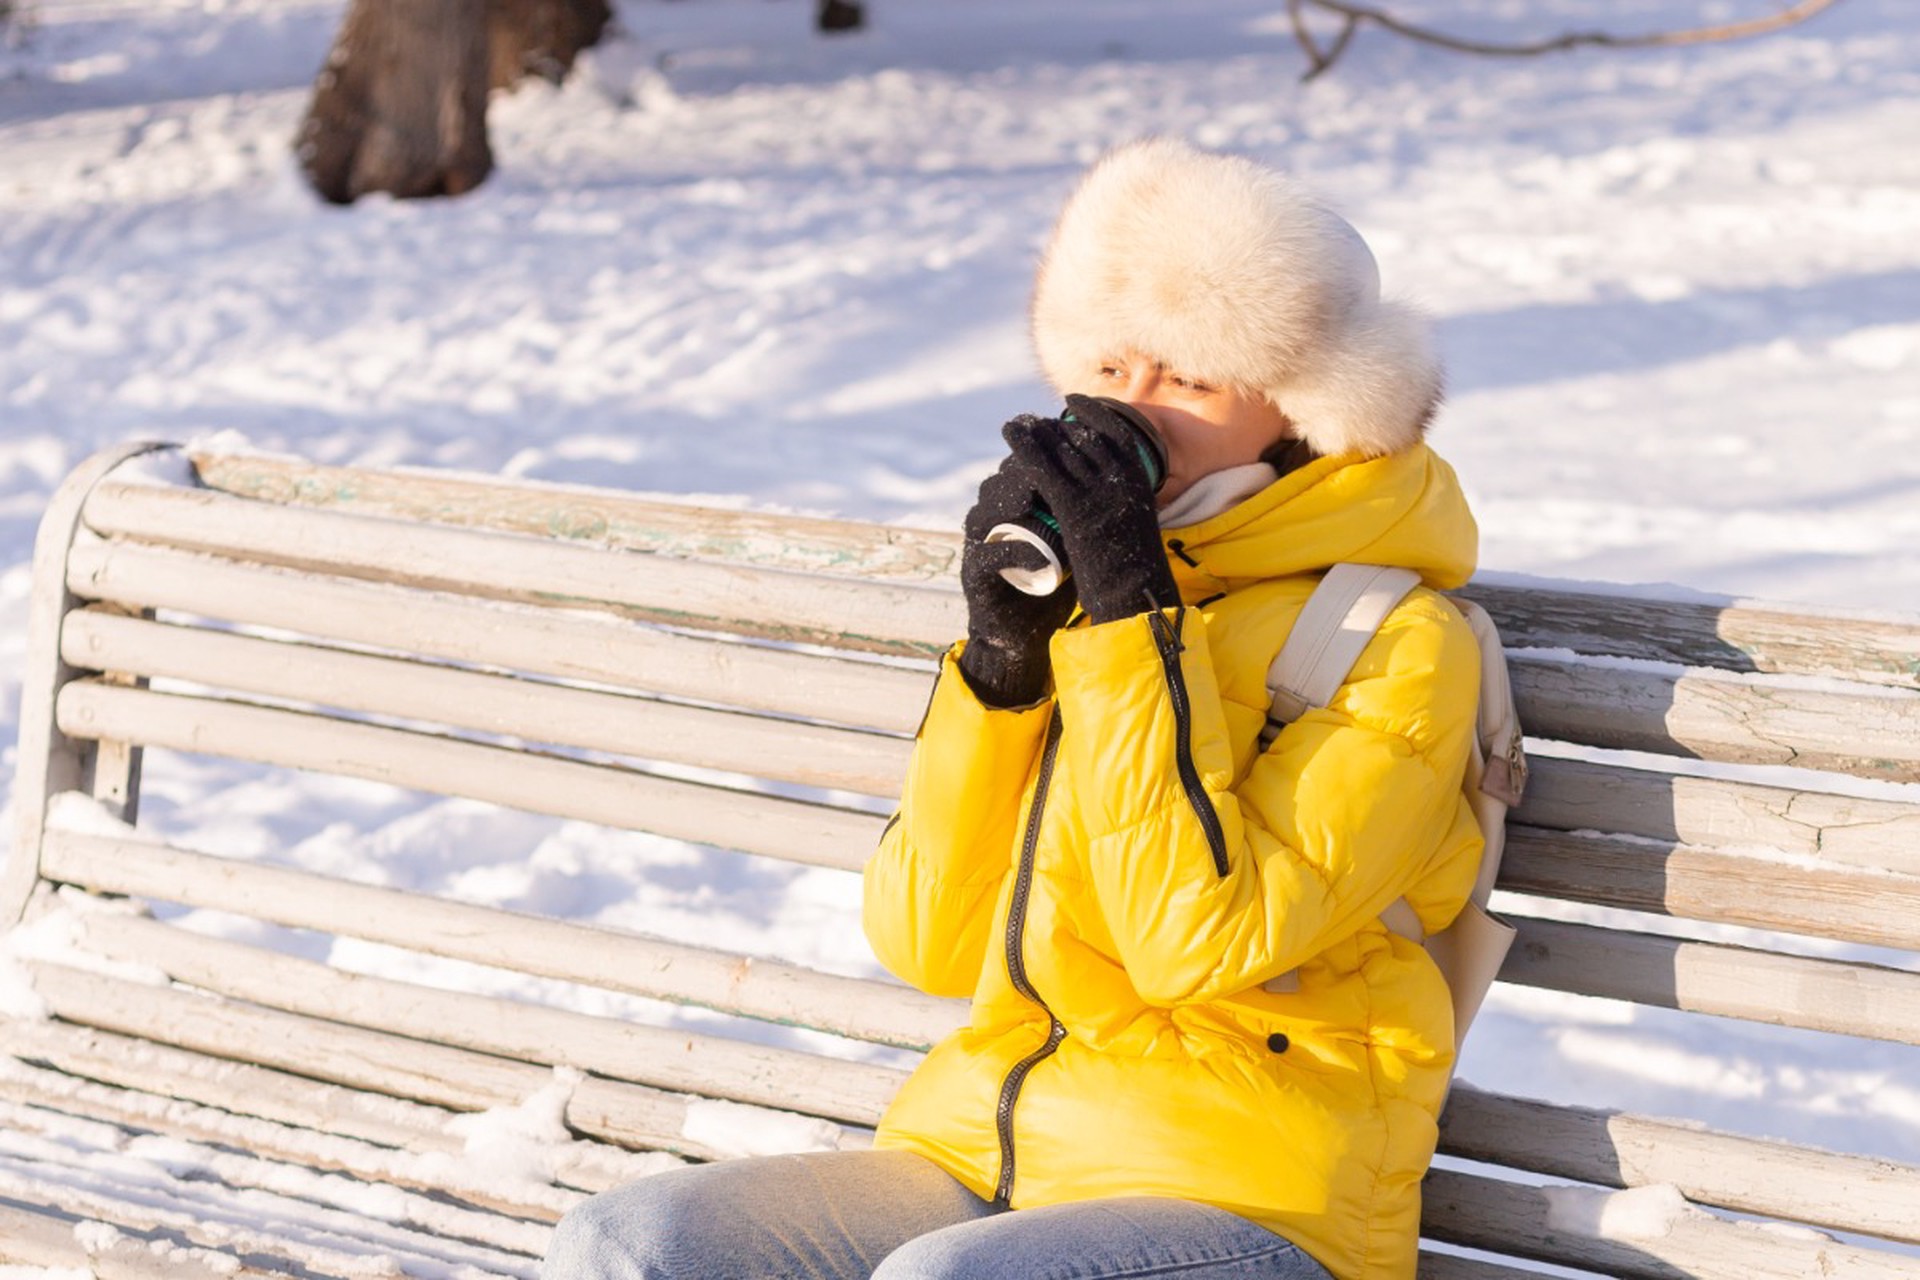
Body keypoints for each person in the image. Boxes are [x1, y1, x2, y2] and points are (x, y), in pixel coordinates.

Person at [544, 136, 1484, 1280]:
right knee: (627, 1243)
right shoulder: (1084, 597)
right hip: (980, 1149)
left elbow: (1197, 941)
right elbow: (927, 940)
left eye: (1189, 379)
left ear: (1300, 415)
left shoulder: (1391, 641)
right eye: (1114, 367)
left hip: (1247, 1194)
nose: (1133, 408)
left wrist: (1134, 621)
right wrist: (1002, 667)